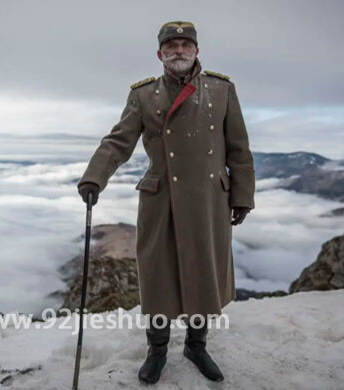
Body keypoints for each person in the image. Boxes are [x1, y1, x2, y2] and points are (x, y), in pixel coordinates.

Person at [77, 21, 255, 384]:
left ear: (196, 51)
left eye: (185, 44)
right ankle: (157, 350)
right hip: (161, 200)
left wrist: (242, 195)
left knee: (203, 274)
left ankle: (196, 345)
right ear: (160, 54)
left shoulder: (222, 90)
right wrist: (95, 176)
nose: (178, 50)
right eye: (171, 45)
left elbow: (239, 149)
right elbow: (118, 142)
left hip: (208, 200)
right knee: (158, 278)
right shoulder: (143, 95)